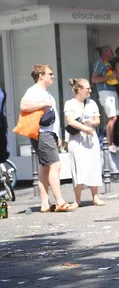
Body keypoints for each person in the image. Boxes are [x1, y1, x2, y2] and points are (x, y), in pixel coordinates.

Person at [21, 64, 75, 212]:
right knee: (55, 165)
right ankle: (59, 201)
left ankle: (45, 203)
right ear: (41, 76)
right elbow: (23, 105)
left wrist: (56, 135)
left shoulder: (46, 93)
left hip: (48, 133)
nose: (52, 76)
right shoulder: (33, 91)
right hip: (42, 133)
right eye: (50, 74)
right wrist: (44, 103)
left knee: (45, 168)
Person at [64, 78, 105, 208]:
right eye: (87, 88)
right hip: (76, 139)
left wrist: (90, 123)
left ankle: (95, 197)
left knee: (94, 166)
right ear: (80, 90)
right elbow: (70, 121)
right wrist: (84, 127)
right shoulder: (70, 104)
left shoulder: (91, 103)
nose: (90, 90)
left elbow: (98, 120)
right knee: (78, 168)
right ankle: (77, 200)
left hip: (90, 139)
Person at [91, 46, 119, 153]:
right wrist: (110, 77)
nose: (112, 52)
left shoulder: (108, 63)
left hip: (111, 90)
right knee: (113, 118)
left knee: (112, 117)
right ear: (105, 52)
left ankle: (108, 141)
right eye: (110, 50)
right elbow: (94, 79)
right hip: (105, 91)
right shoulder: (100, 63)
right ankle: (109, 143)